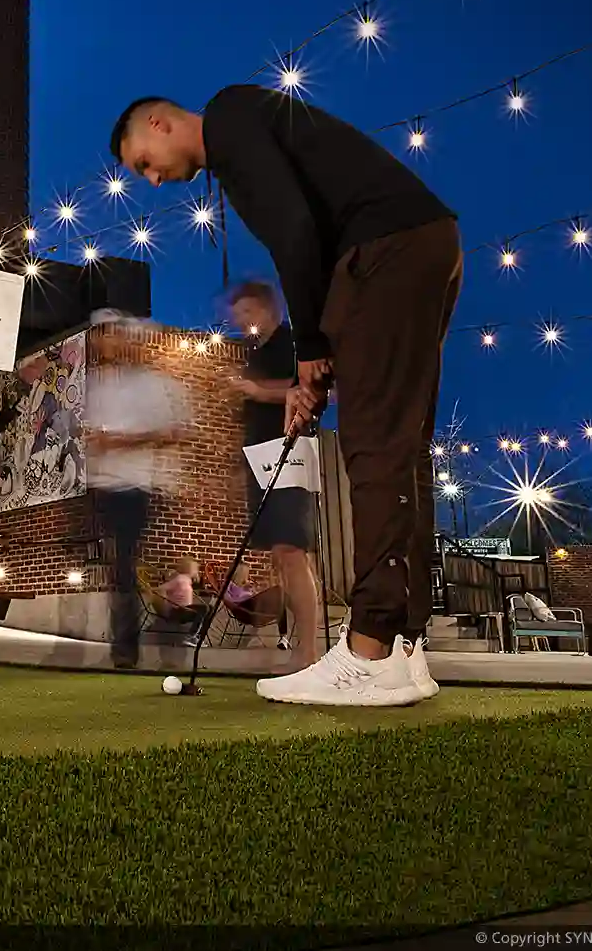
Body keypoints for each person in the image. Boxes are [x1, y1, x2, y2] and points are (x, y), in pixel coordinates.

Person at [109, 85, 461, 707]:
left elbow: (294, 232)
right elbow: (311, 234)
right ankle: (407, 648)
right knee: (404, 447)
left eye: (143, 164)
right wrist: (318, 359)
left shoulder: (230, 118)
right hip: (420, 244)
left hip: (386, 250)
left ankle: (370, 648)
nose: (154, 182)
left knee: (375, 444)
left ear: (160, 124)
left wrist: (308, 354)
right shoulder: (250, 128)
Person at [224, 280, 324, 674]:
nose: (242, 320)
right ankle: (304, 648)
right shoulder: (257, 351)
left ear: (268, 309)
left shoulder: (290, 343)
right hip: (261, 458)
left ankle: (309, 651)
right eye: (238, 314)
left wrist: (253, 389)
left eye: (248, 311)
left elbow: (307, 389)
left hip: (287, 455)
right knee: (283, 557)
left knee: (292, 552)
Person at [82, 309, 187, 670]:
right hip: (103, 486)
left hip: (136, 486)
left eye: (111, 333)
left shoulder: (149, 384)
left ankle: (129, 647)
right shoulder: (95, 385)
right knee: (118, 566)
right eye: (99, 334)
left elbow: (170, 433)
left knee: (126, 564)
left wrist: (119, 441)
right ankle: (127, 642)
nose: (104, 340)